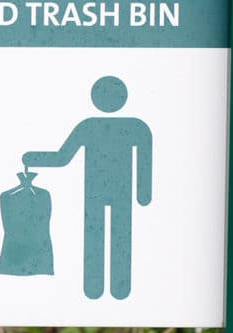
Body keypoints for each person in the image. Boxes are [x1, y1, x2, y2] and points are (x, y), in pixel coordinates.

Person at [23, 76, 152, 299]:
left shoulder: (126, 127)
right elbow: (63, 157)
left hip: (108, 191)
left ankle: (114, 288)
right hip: (101, 191)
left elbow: (144, 160)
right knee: (106, 235)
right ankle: (101, 288)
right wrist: (33, 158)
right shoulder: (115, 126)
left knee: (110, 236)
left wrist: (144, 193)